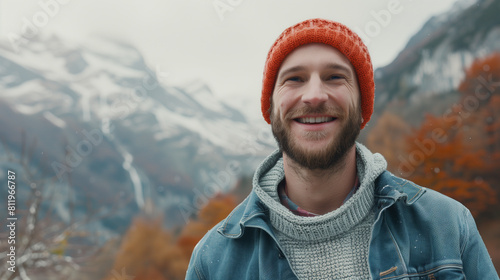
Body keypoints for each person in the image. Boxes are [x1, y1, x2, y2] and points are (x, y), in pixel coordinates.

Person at [185, 18, 499, 279]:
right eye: (295, 79)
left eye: (335, 77)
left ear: (363, 108)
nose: (314, 95)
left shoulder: (447, 225)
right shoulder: (213, 261)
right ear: (270, 109)